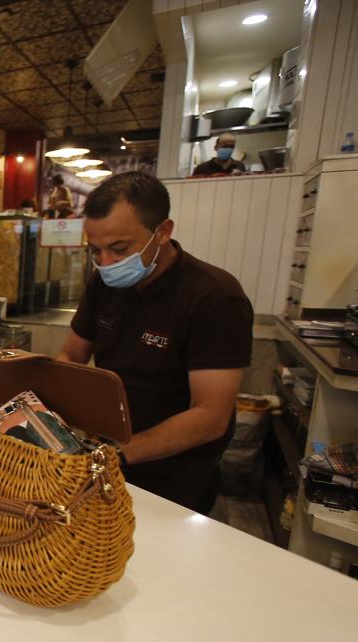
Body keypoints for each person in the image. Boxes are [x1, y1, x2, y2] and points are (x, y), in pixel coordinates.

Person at [56, 172, 252, 514]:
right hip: (107, 452)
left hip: (176, 470)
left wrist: (119, 453)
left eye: (119, 249)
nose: (105, 263)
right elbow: (72, 354)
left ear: (163, 231)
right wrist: (44, 415)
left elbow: (210, 416)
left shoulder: (215, 298)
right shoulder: (103, 285)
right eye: (96, 250)